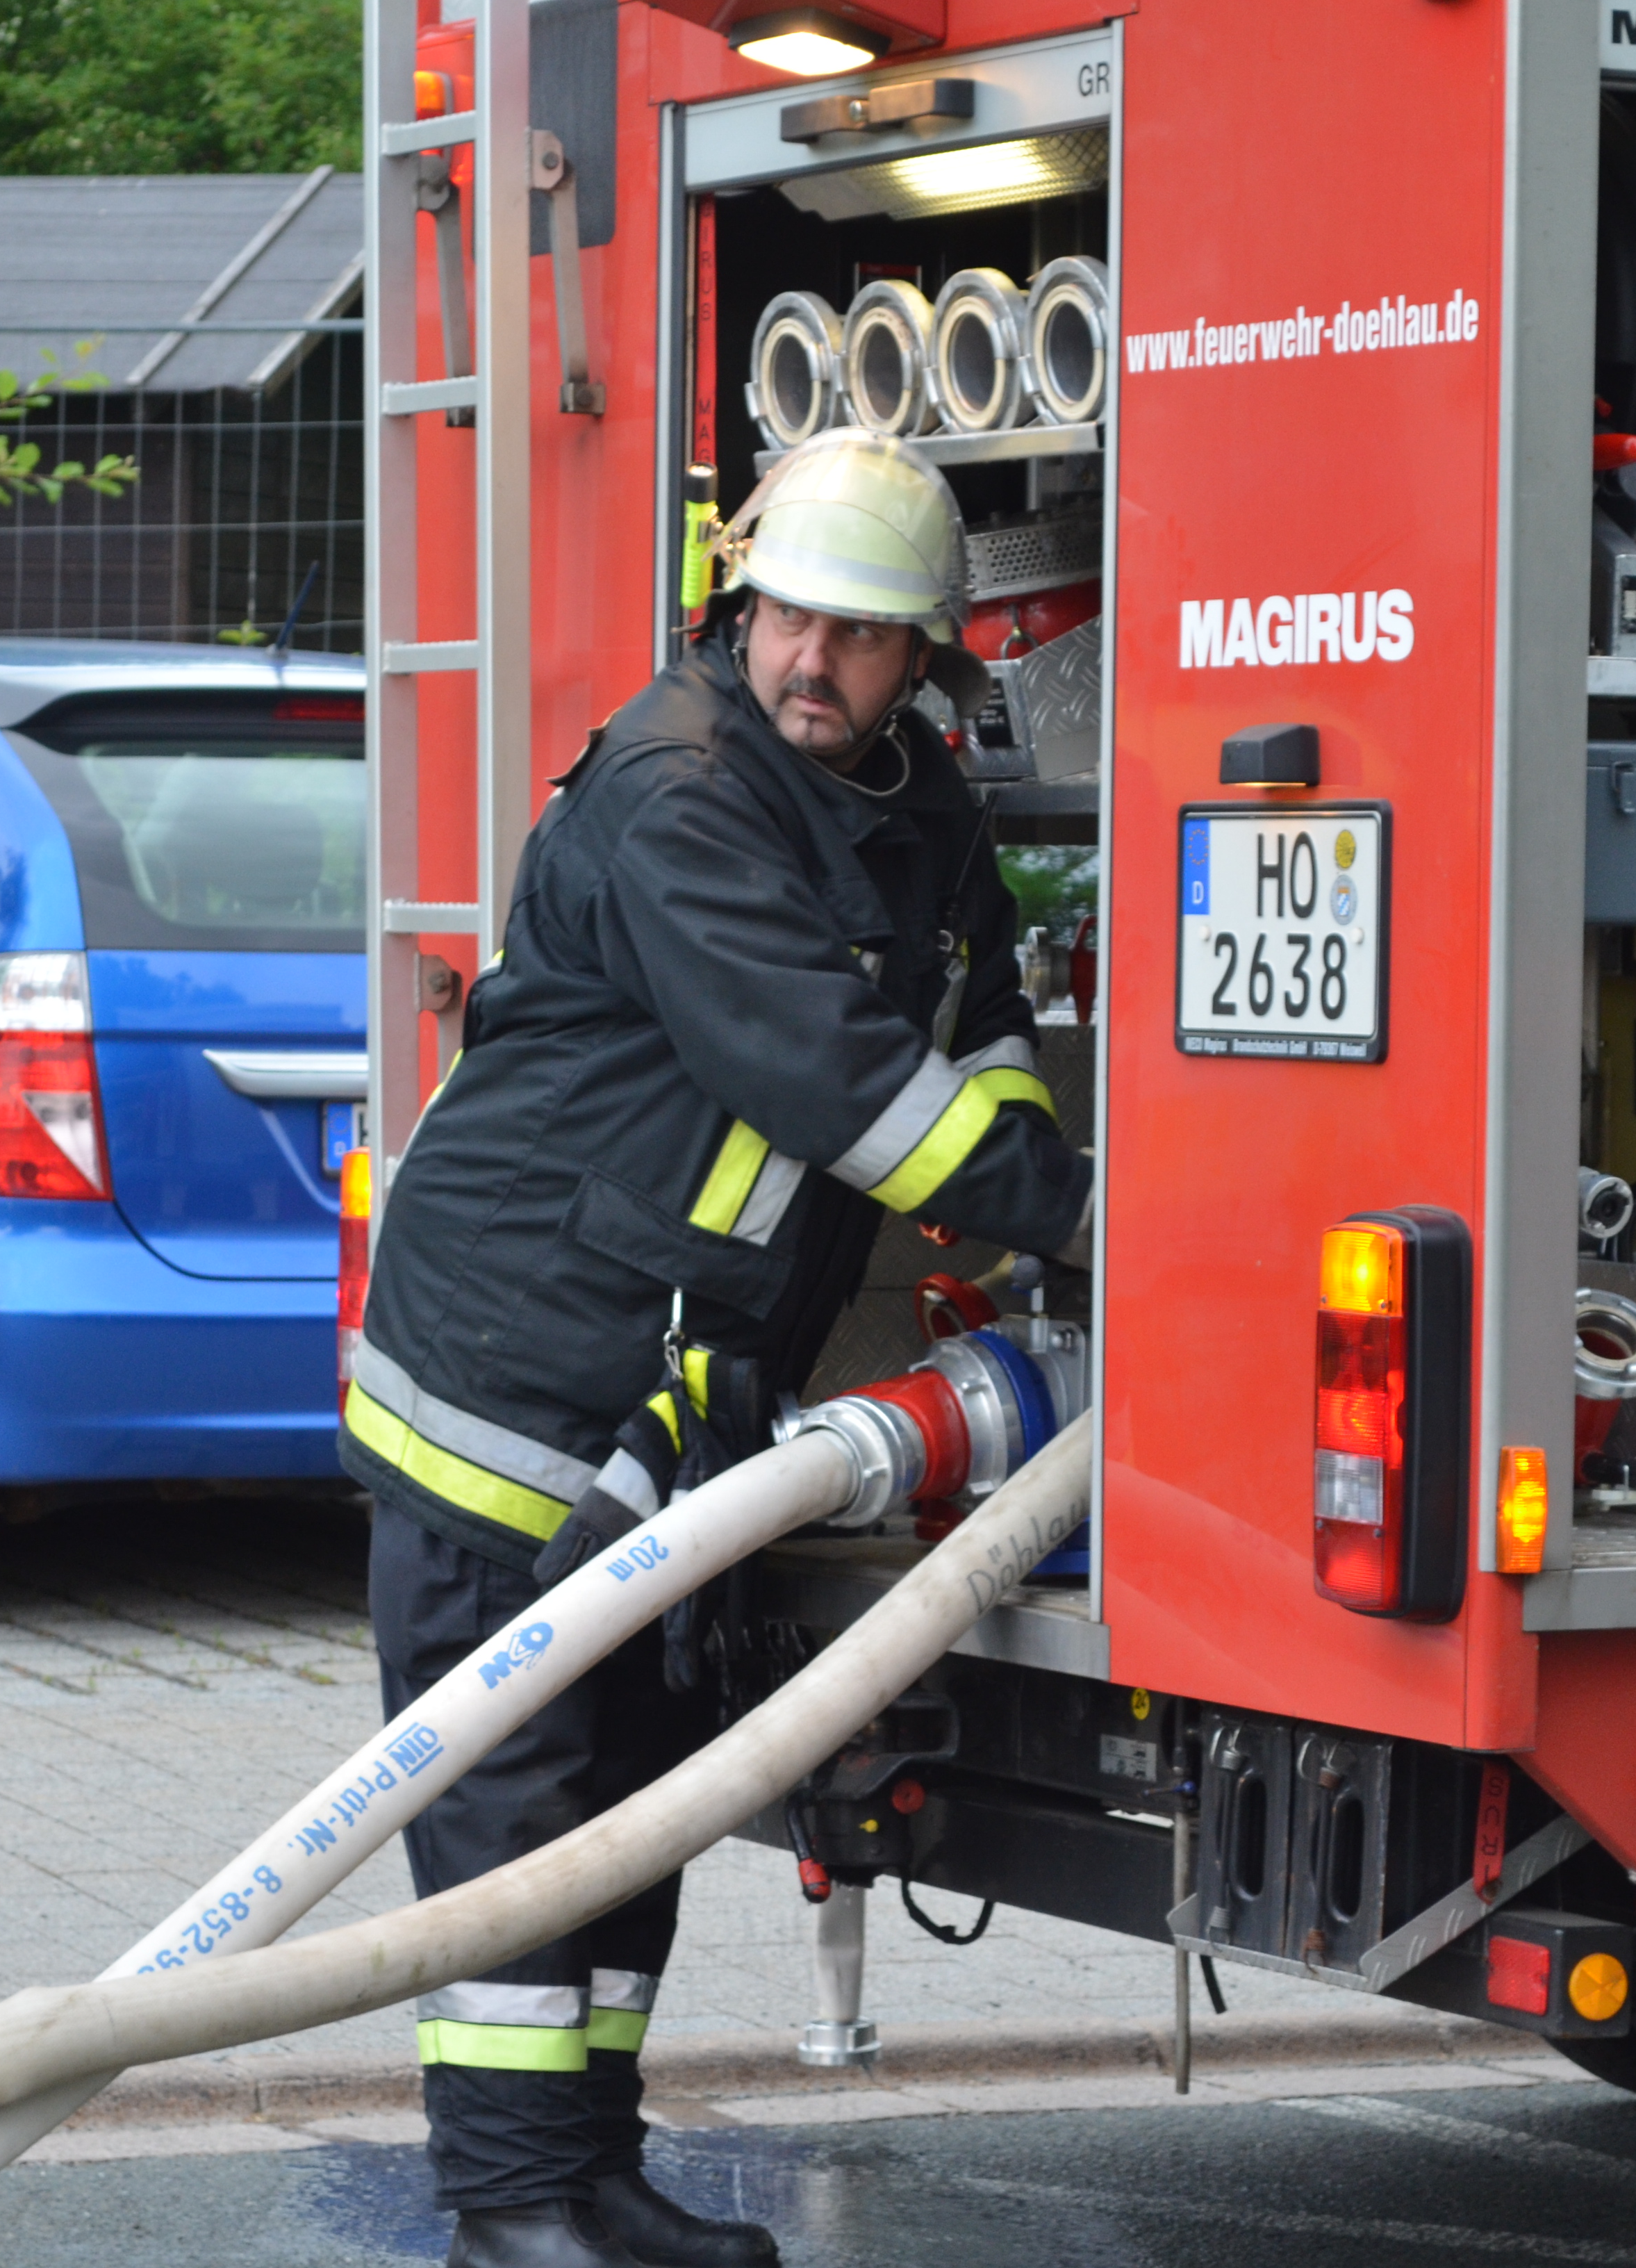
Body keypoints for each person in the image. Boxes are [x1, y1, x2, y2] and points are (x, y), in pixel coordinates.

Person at [341, 429, 1095, 2268]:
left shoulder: (915, 807)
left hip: (671, 1384)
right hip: (513, 1375)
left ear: (925, 656)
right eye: (787, 618)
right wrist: (1097, 1225)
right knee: (517, 1800)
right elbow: (841, 1085)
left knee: (635, 1788)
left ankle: (592, 2171)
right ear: (740, 603)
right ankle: (510, 2209)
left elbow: (980, 1022)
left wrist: (1027, 1162)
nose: (810, 661)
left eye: (858, 633)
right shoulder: (681, 792)